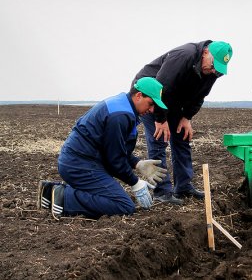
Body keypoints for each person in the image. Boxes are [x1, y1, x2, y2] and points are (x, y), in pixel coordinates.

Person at [37, 77, 169, 220]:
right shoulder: (121, 116)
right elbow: (114, 160)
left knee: (111, 197)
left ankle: (49, 191)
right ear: (138, 96)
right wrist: (135, 183)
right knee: (123, 205)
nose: (151, 110)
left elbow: (113, 147)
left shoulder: (122, 105)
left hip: (78, 160)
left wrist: (137, 163)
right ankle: (64, 197)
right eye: (150, 103)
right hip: (79, 164)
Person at [131, 40, 233, 205]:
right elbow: (161, 88)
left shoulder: (212, 71)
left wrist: (186, 117)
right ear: (205, 52)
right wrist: (160, 119)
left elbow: (200, 95)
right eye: (214, 65)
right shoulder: (183, 56)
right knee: (160, 138)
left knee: (182, 137)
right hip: (151, 96)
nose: (214, 71)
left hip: (174, 100)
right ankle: (162, 191)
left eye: (219, 70)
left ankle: (183, 187)